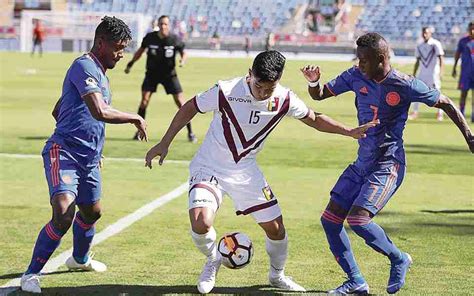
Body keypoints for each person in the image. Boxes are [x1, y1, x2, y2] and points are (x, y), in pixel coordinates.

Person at [144, 50, 377, 294]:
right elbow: (190, 107)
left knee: (276, 229)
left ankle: (277, 276)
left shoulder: (285, 98)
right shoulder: (226, 90)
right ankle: (214, 258)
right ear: (249, 75)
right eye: (259, 86)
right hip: (209, 166)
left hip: (246, 172)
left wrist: (348, 131)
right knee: (201, 222)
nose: (263, 93)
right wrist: (165, 142)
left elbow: (314, 118)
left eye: (270, 88)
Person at [301, 32, 474, 294]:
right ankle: (356, 281)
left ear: (381, 58)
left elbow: (446, 102)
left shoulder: (404, 84)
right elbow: (320, 95)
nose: (359, 65)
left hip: (388, 163)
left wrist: (469, 136)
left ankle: (398, 258)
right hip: (362, 163)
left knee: (358, 220)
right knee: (330, 220)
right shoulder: (355, 75)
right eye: (358, 59)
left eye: (363, 60)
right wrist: (314, 83)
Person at [20, 16, 148, 294]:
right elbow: (99, 111)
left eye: (124, 47)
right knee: (64, 213)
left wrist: (93, 148)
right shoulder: (83, 65)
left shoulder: (100, 72)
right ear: (101, 43)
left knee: (92, 212)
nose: (121, 53)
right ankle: (31, 274)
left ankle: (79, 259)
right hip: (63, 151)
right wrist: (134, 117)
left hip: (89, 158)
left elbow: (60, 109)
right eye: (117, 47)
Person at [125, 15, 196, 142]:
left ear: (169, 25)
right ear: (158, 25)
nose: (163, 26)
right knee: (144, 101)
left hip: (169, 74)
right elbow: (140, 51)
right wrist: (131, 63)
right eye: (161, 24)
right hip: (152, 74)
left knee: (181, 103)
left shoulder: (174, 39)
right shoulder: (150, 38)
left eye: (165, 24)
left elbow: (183, 52)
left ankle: (190, 133)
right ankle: (139, 131)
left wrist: (182, 60)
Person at [409, 27, 445, 121]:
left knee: (437, 92)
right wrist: (414, 73)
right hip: (422, 73)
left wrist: (441, 71)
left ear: (430, 34)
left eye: (426, 33)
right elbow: (417, 60)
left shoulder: (435, 44)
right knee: (416, 92)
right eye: (423, 33)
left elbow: (441, 58)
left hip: (433, 73)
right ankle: (415, 112)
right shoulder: (419, 45)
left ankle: (440, 113)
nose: (425, 35)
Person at [452, 21, 474, 122]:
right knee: (463, 94)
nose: (472, 31)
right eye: (471, 29)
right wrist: (454, 67)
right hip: (466, 73)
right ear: (468, 30)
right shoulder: (463, 41)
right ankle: (461, 114)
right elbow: (457, 54)